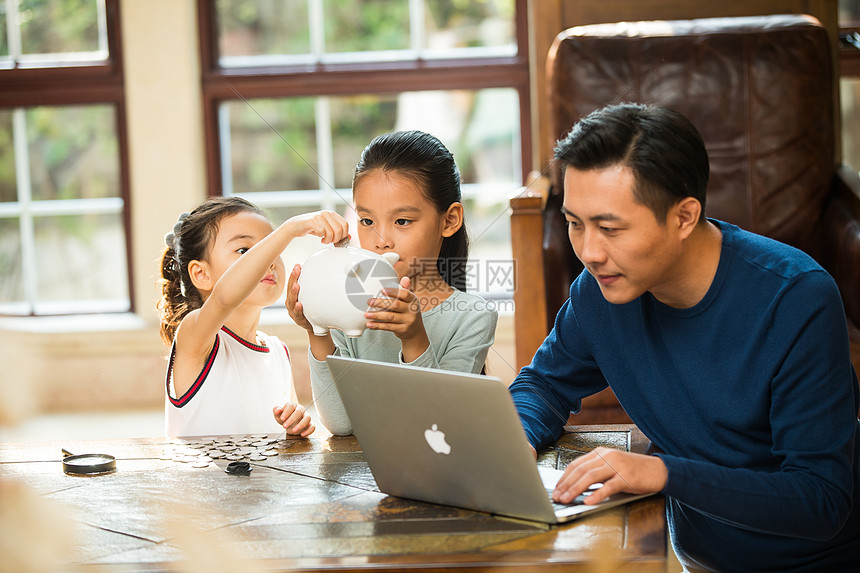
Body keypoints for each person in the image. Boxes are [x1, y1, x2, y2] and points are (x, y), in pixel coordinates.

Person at [508, 103, 860, 572]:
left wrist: (662, 473)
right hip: (692, 556)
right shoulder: (601, 292)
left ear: (684, 217)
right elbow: (543, 384)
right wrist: (515, 439)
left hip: (817, 563)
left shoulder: (796, 299)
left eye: (610, 228)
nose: (589, 252)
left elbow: (820, 500)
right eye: (576, 224)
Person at [287, 130, 499, 436]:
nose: (381, 241)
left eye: (402, 221)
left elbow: (435, 426)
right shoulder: (346, 305)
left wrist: (414, 338)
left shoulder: (473, 317)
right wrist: (316, 330)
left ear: (449, 220)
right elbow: (340, 423)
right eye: (367, 221)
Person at [158, 196, 350, 438]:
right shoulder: (194, 336)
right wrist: (290, 229)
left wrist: (293, 426)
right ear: (201, 274)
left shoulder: (278, 351)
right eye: (245, 251)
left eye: (272, 248)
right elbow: (224, 298)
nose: (268, 260)